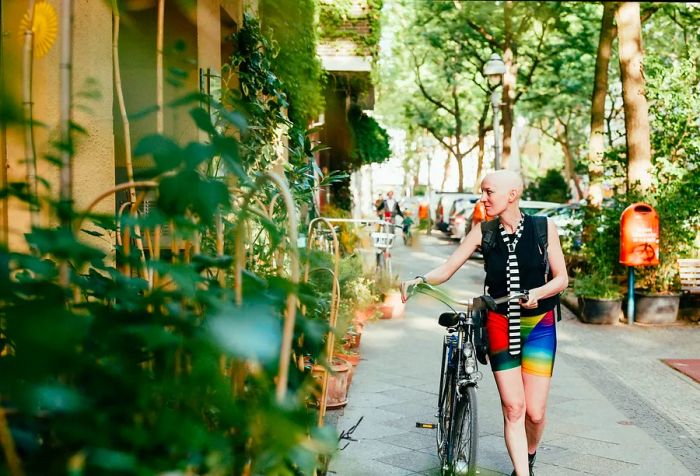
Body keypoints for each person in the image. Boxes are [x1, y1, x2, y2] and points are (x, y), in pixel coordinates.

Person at [400, 170, 568, 476]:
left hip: (539, 326)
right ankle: (523, 472)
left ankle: (529, 454)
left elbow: (561, 279)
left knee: (535, 412)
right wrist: (420, 280)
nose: (483, 198)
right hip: (500, 324)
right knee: (513, 408)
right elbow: (449, 267)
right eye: (483, 191)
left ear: (512, 195)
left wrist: (538, 293)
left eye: (489, 191)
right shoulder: (483, 231)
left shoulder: (544, 228)